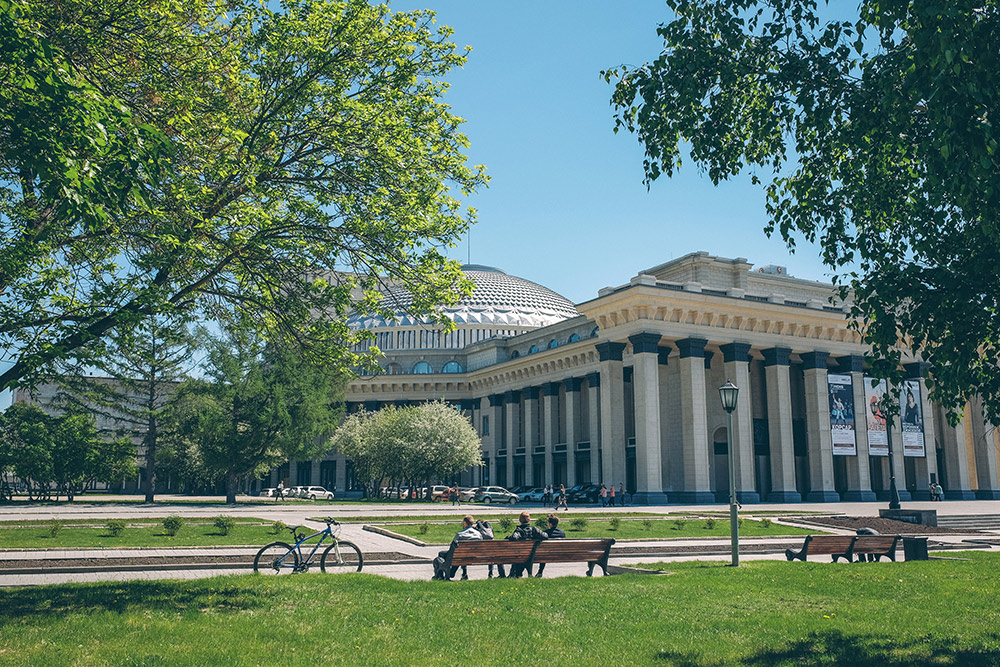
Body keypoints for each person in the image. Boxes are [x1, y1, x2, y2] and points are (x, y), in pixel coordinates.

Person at [432, 515, 482, 580]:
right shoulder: (478, 534)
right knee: (459, 555)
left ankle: (440, 576)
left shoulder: (460, 534)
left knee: (442, 554)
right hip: (473, 556)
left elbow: (452, 547)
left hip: (459, 556)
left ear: (465, 523)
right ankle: (455, 573)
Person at [505, 511, 548, 578]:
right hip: (531, 557)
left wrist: (508, 537)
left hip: (520, 557)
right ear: (529, 520)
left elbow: (514, 537)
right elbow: (545, 536)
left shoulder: (519, 530)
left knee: (517, 563)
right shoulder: (534, 529)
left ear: (519, 520)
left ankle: (514, 575)